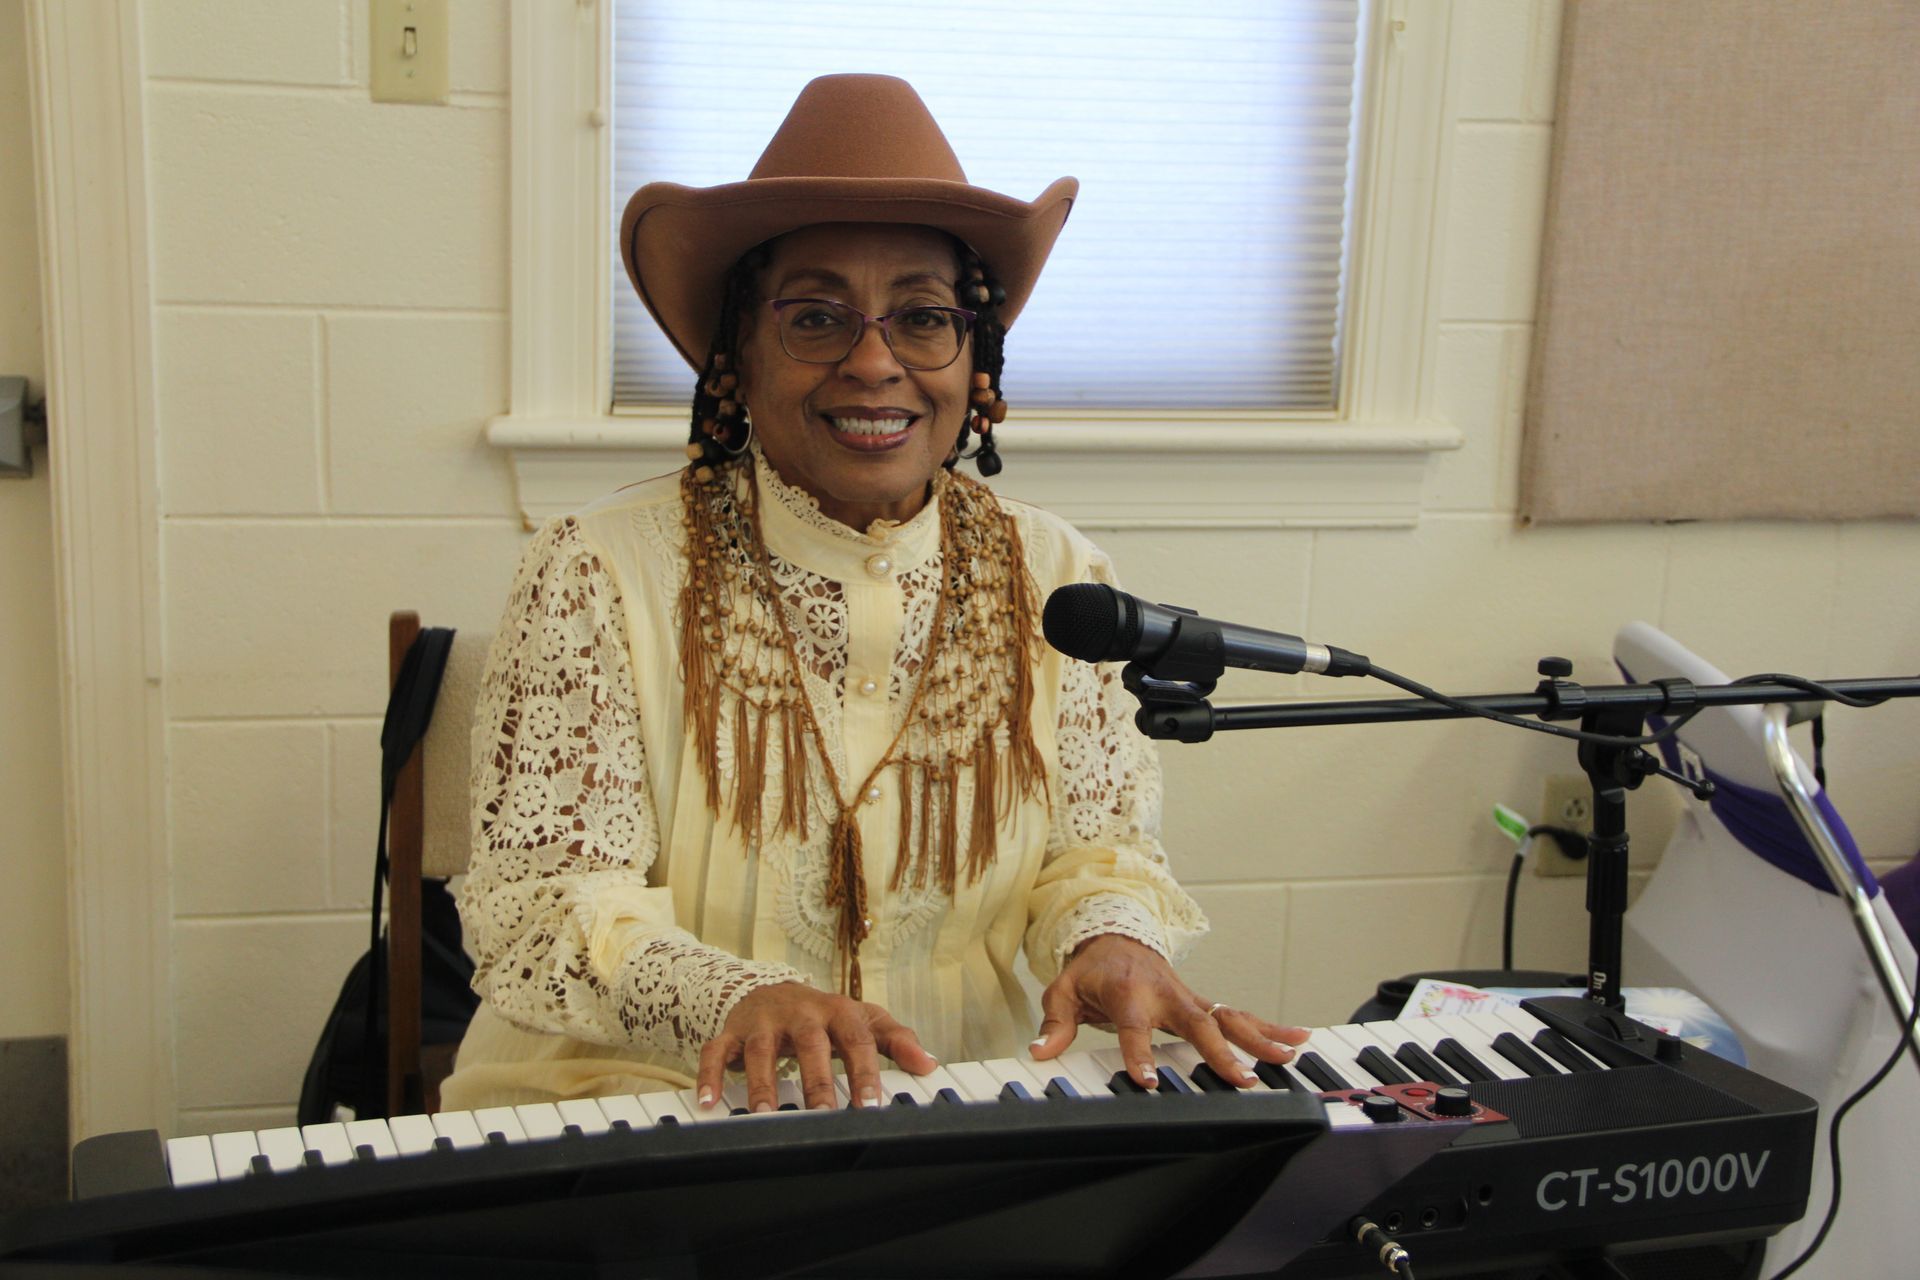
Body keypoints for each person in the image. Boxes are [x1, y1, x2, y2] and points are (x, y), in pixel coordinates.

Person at [441, 74, 1306, 1115]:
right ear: (739, 357)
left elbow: (1095, 850)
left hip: (956, 1104)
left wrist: (1111, 937)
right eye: (816, 318)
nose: (874, 362)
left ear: (973, 360)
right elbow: (547, 905)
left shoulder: (1058, 572)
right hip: (641, 1105)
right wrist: (742, 993)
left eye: (922, 318)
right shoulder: (595, 566)